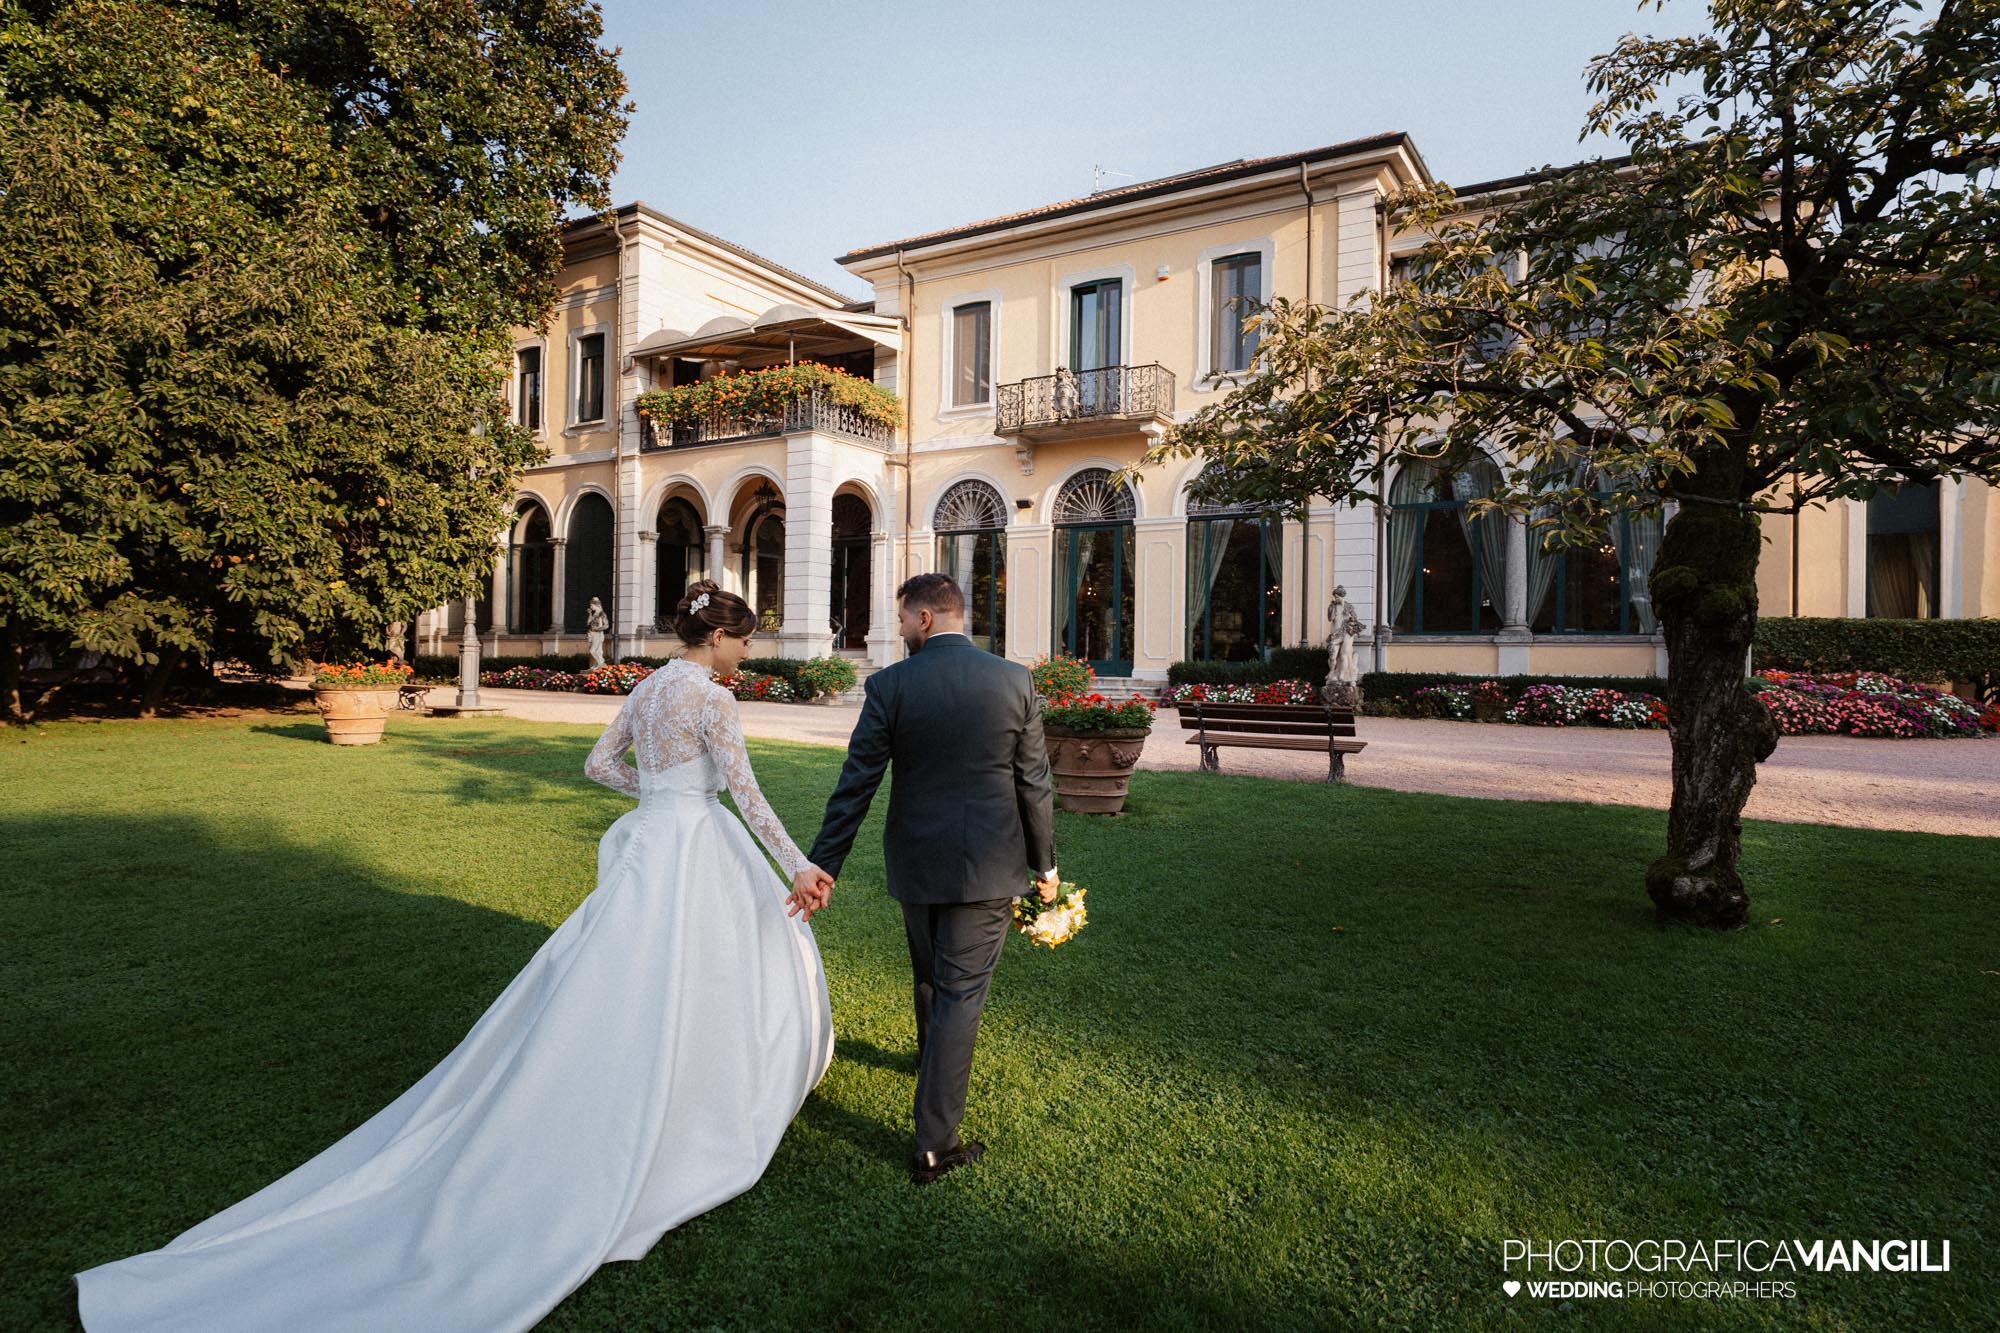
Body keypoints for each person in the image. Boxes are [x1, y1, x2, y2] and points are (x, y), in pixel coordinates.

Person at [73, 580, 839, 1333]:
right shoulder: (714, 696)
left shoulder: (646, 689)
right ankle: (697, 1102)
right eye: (744, 640)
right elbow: (748, 794)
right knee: (710, 973)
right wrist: (797, 864)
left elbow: (598, 766)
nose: (747, 653)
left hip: (655, 841)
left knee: (623, 978)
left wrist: (659, 796)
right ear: (719, 638)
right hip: (700, 843)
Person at [792, 572, 1058, 1185]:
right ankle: (935, 1144)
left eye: (904, 618)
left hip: (916, 858)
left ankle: (929, 1059)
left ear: (927, 618)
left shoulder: (890, 685)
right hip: (990, 864)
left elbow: (857, 783)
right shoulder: (1014, 680)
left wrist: (824, 864)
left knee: (931, 974)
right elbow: (1034, 784)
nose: (902, 628)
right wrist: (1045, 865)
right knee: (960, 991)